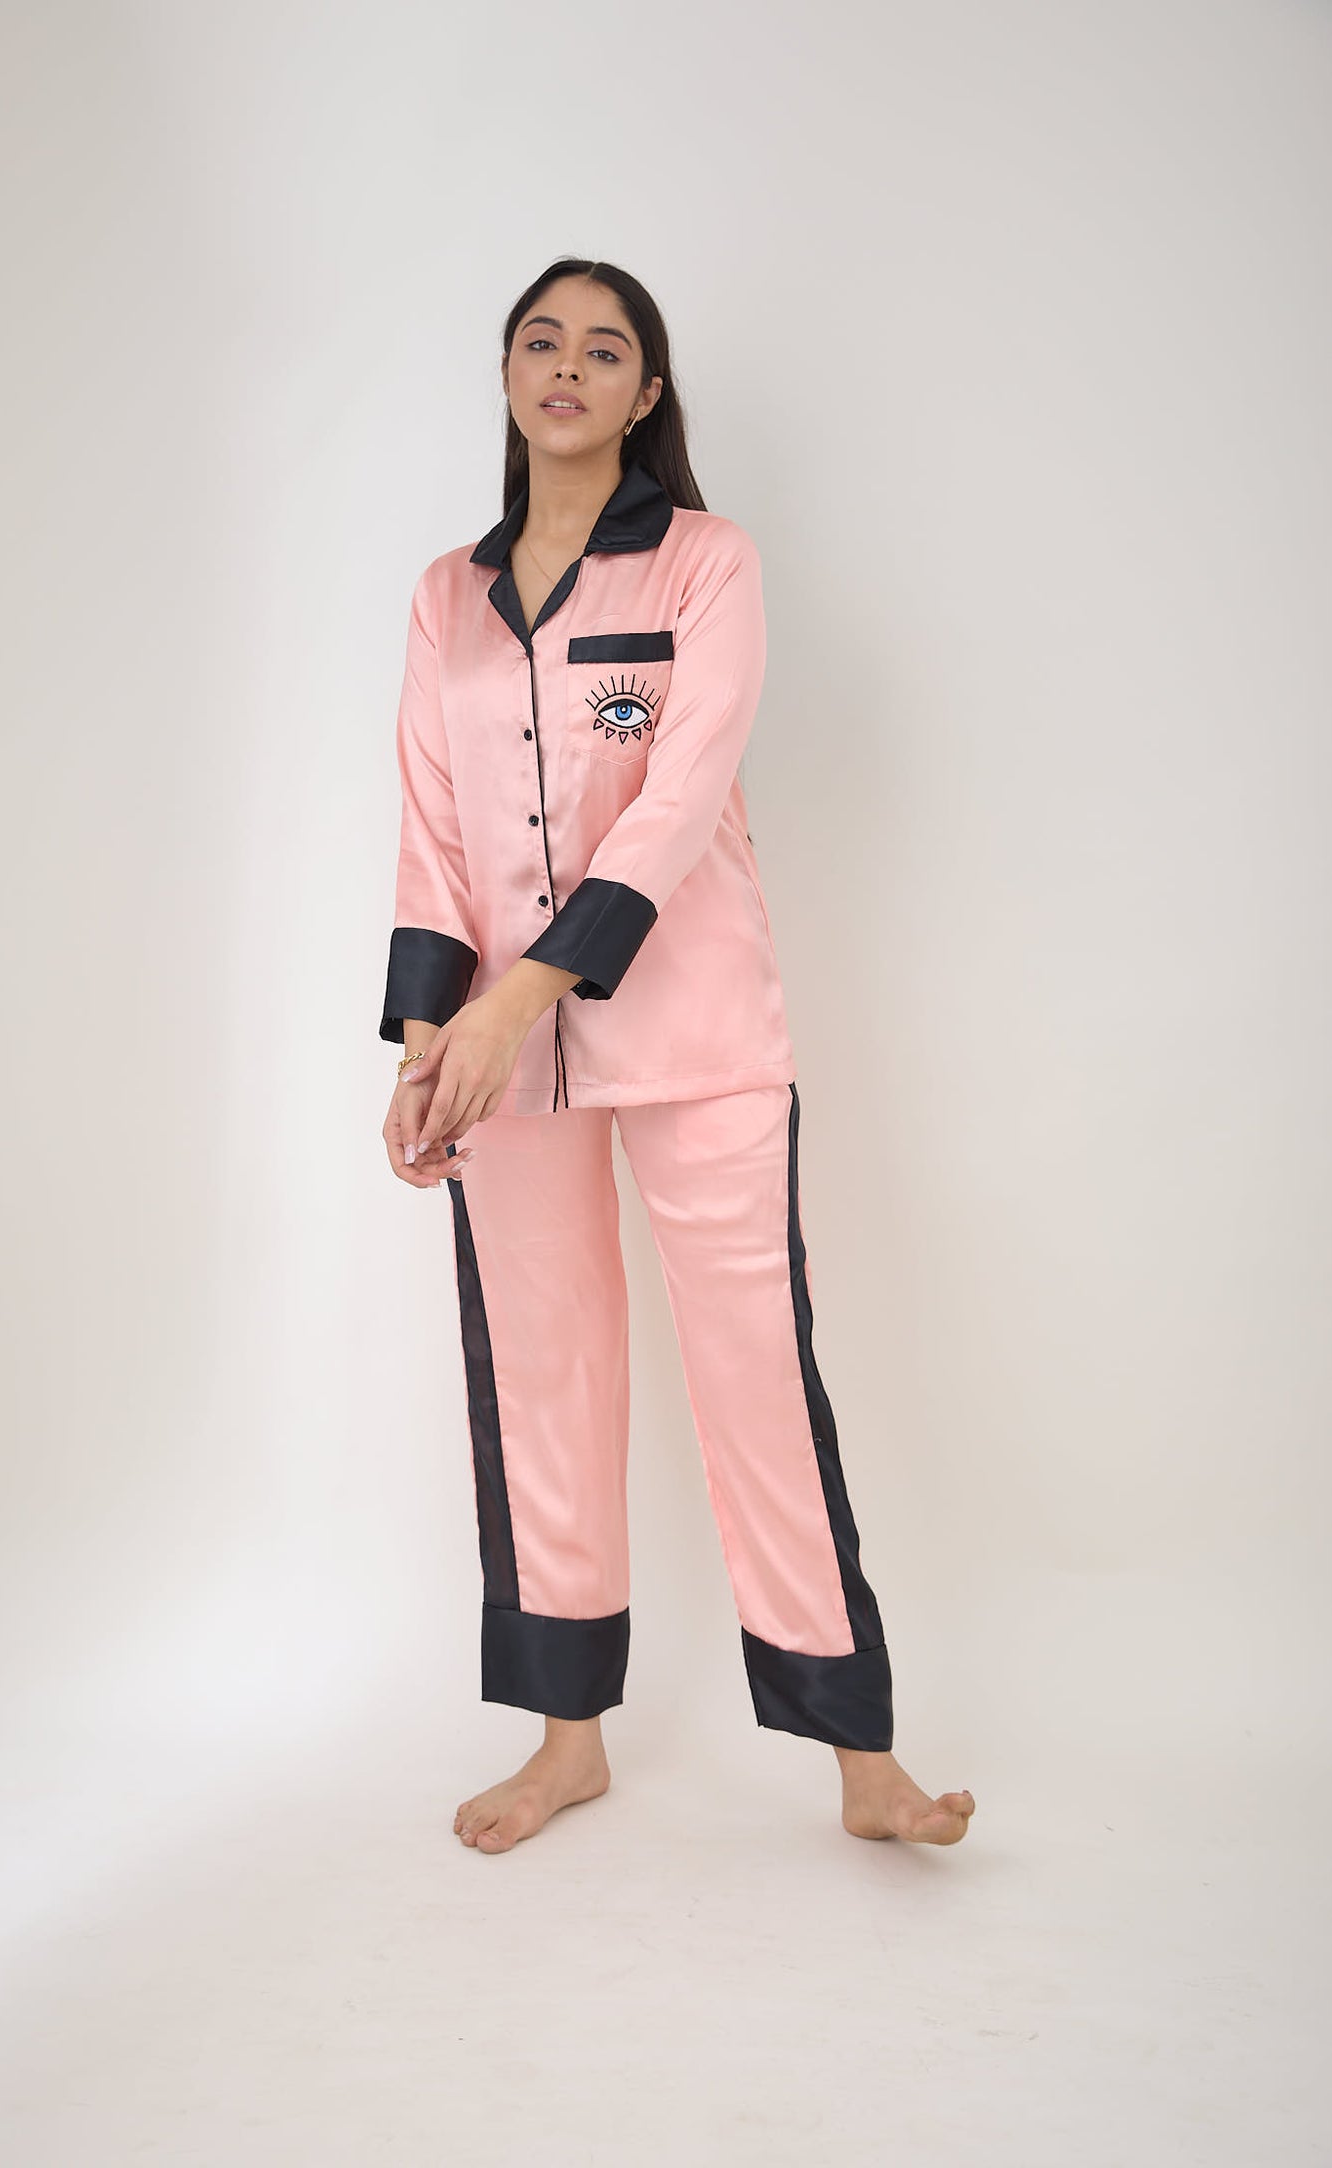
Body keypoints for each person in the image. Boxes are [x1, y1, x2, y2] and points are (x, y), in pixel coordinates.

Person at [380, 255, 975, 1855]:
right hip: (499, 1066)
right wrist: (431, 1043)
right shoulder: (444, 594)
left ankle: (860, 1760)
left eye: (604, 350)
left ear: (646, 394)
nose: (566, 367)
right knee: (542, 1382)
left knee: (755, 1374)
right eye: (540, 341)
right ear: (508, 373)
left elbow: (679, 792)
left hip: (697, 1034)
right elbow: (432, 832)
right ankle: (565, 1741)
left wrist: (513, 1002)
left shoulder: (706, 563)